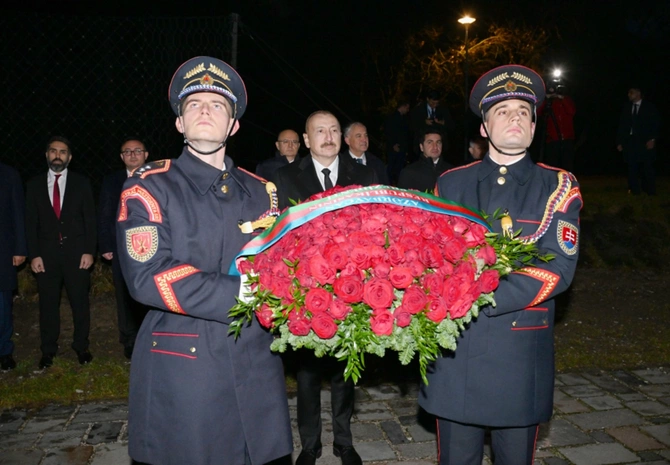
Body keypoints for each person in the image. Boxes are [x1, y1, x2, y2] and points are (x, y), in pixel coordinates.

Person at [116, 56, 292, 465]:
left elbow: (283, 265)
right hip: (187, 368)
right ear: (179, 123)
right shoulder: (149, 187)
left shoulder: (261, 192)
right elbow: (147, 276)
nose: (205, 111)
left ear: (233, 125)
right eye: (194, 104)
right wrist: (245, 293)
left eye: (217, 105)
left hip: (257, 363)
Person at [420, 65, 582, 465]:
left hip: (518, 356)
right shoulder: (451, 184)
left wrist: (475, 297)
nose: (515, 118)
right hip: (457, 353)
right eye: (503, 111)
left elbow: (558, 270)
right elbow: (427, 257)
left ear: (533, 127)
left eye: (524, 112)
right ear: (484, 128)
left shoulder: (557, 186)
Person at [273, 110, 377, 465]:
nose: (328, 136)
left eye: (333, 130)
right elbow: (277, 232)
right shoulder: (285, 177)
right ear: (306, 139)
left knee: (346, 370)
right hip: (305, 289)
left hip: (351, 286)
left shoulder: (363, 176)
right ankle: (310, 444)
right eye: (320, 131)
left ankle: (344, 442)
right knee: (307, 373)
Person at [26, 136, 96, 369]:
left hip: (77, 255)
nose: (58, 155)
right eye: (53, 151)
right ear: (47, 155)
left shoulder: (82, 183)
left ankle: (81, 346)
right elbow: (30, 223)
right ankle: (48, 350)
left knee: (80, 303)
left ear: (70, 157)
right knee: (47, 305)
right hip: (46, 256)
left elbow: (90, 220)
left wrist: (89, 251)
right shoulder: (34, 185)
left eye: (63, 152)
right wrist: (34, 254)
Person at [98, 138, 150, 359]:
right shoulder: (112, 181)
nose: (132, 154)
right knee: (124, 294)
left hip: (153, 247)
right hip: (121, 247)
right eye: (127, 151)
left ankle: (150, 337)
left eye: (137, 150)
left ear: (146, 155)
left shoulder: (158, 178)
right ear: (121, 157)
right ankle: (129, 339)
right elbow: (105, 213)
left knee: (150, 291)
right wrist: (106, 245)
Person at [0, 162, 27, 371]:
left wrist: (20, 249)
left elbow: (18, 212)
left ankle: (4, 350)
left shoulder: (8, 175)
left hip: (3, 250)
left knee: (2, 305)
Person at [616, 86, 660, 195]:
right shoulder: (627, 107)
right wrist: (620, 141)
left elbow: (655, 123)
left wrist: (652, 139)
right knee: (631, 166)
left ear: (638, 93)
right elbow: (622, 125)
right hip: (630, 140)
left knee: (647, 165)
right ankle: (634, 190)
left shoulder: (649, 107)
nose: (629, 95)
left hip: (644, 140)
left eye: (631, 92)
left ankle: (650, 190)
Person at [538, 82, 576, 171]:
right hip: (552, 139)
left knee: (567, 165)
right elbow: (538, 112)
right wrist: (545, 99)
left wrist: (562, 98)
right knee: (552, 165)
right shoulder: (548, 102)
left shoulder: (566, 99)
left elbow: (572, 111)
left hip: (567, 139)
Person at [409, 90, 454, 162]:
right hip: (422, 139)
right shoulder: (418, 109)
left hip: (439, 139)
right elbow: (412, 124)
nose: (434, 105)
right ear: (428, 99)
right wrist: (424, 122)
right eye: (432, 103)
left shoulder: (443, 109)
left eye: (436, 103)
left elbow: (451, 125)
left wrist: (442, 122)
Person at [384, 98, 411, 185]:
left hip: (401, 147)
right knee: (392, 167)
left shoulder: (403, 118)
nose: (407, 110)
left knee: (399, 167)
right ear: (403, 106)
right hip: (395, 147)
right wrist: (393, 144)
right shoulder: (393, 117)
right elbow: (389, 132)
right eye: (407, 108)